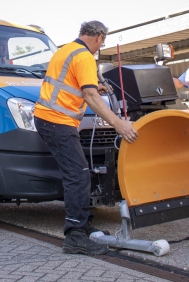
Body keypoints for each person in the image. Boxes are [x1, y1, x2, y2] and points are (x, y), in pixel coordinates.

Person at [34, 20, 138, 256]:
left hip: (51, 119)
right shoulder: (83, 56)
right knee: (78, 174)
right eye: (103, 41)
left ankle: (82, 225)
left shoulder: (66, 50)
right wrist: (118, 124)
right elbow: (90, 95)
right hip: (56, 120)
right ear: (100, 38)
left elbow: (75, 86)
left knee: (80, 172)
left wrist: (93, 88)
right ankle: (75, 236)